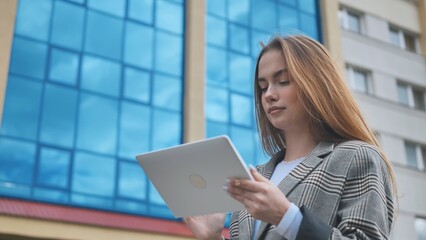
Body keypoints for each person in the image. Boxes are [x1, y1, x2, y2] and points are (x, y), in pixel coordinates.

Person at [185, 35, 396, 240]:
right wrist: (213, 237)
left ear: (317, 84)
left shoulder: (356, 157)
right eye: (263, 87)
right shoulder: (256, 177)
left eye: (283, 81)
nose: (269, 94)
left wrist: (286, 217)